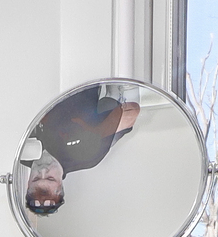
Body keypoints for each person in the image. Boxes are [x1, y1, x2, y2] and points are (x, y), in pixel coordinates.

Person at [22, 85, 139, 215]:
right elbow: (132, 111)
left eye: (36, 178)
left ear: (28, 182)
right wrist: (97, 132)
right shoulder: (85, 156)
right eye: (50, 178)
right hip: (78, 80)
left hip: (40, 84)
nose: (43, 170)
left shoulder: (21, 153)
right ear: (60, 185)